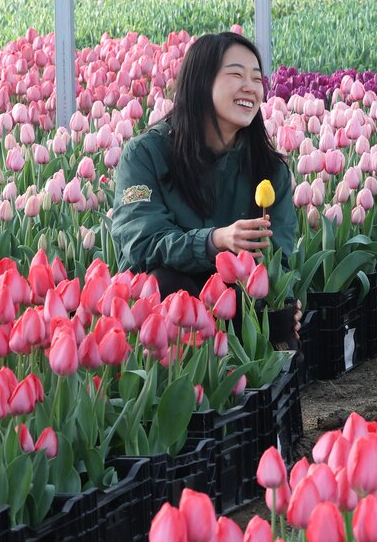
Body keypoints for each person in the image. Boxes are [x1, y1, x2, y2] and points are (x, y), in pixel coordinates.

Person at [111, 31, 298, 345]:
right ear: (200, 82)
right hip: (167, 317)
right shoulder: (146, 155)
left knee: (279, 318)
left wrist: (283, 298)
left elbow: (279, 256)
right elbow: (139, 245)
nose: (250, 87)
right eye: (236, 74)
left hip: (237, 308)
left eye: (256, 78)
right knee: (166, 282)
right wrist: (215, 242)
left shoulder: (270, 170)